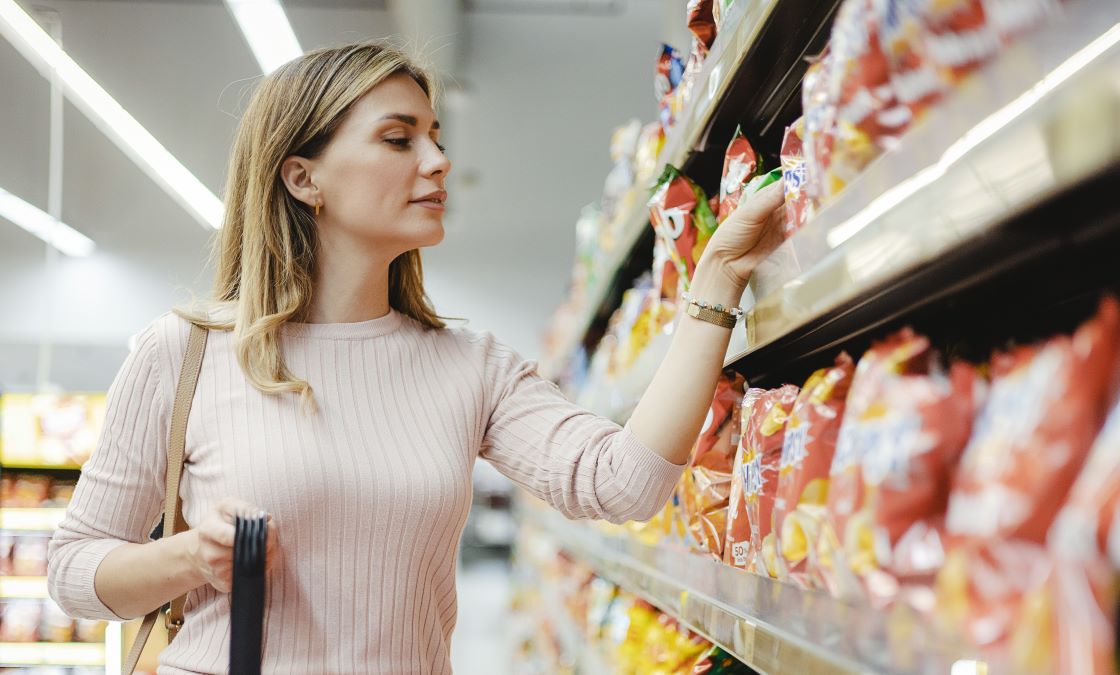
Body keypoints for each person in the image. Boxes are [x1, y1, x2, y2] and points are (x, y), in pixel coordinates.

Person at [47, 42, 786, 674]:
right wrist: (187, 557)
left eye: (435, 137)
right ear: (302, 177)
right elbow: (72, 570)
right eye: (399, 139)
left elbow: (624, 486)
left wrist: (715, 282)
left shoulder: (470, 366)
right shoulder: (185, 352)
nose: (438, 161)